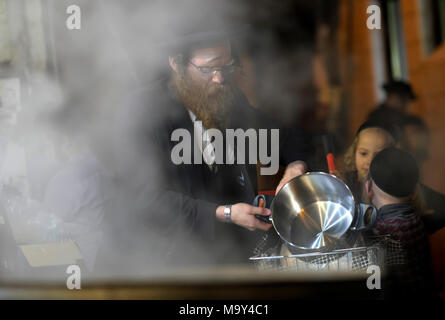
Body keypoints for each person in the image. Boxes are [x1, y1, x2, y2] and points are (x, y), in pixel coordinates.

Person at [103, 15, 311, 272]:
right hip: (165, 260)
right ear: (177, 65)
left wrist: (295, 166)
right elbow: (145, 200)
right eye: (208, 69)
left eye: (227, 66)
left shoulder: (228, 98)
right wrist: (224, 213)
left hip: (231, 254)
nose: (220, 79)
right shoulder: (143, 111)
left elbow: (289, 137)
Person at [365, 147, 436, 298]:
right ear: (415, 192)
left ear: (368, 188)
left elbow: (373, 287)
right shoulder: (416, 220)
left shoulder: (379, 231)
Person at [399, 115, 445, 234]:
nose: (422, 139)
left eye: (421, 134)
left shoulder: (434, 164)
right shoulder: (401, 170)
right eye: (414, 134)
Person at [339, 121, 396, 203]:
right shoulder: (346, 181)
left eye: (378, 155)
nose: (370, 161)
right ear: (354, 153)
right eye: (364, 153)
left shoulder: (395, 187)